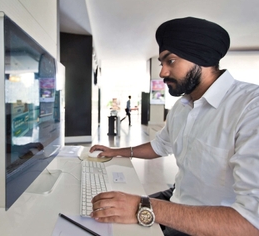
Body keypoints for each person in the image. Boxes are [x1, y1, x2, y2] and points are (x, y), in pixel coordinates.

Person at [89, 17, 259, 236]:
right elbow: (160, 146)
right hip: (178, 196)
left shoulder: (250, 108)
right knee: (105, 215)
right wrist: (117, 152)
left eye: (170, 61)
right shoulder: (182, 107)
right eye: (161, 63)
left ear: (202, 58)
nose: (162, 73)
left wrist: (145, 208)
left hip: (214, 223)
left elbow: (251, 223)